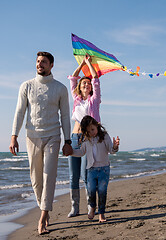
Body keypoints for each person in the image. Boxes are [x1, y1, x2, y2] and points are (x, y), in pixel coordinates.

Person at [9, 51, 73, 235]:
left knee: (49, 175)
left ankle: (43, 215)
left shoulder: (60, 88)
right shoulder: (26, 86)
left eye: (44, 62)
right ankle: (44, 206)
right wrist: (14, 135)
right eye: (38, 61)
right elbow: (19, 112)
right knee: (36, 179)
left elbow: (66, 116)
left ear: (51, 65)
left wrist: (67, 140)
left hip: (53, 135)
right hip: (32, 137)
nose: (40, 64)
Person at [67, 115, 120, 223]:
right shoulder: (86, 140)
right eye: (89, 131)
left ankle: (101, 214)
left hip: (104, 169)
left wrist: (115, 146)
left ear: (97, 125)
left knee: (102, 192)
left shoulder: (104, 136)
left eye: (93, 129)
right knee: (91, 191)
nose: (92, 132)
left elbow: (111, 150)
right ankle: (92, 207)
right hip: (91, 170)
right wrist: (71, 152)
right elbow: (81, 152)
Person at [67, 53, 101, 217]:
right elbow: (73, 78)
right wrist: (81, 64)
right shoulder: (76, 99)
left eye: (88, 83)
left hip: (89, 140)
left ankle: (90, 205)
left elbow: (96, 79)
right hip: (74, 138)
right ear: (79, 87)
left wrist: (89, 63)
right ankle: (75, 207)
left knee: (86, 174)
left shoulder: (94, 100)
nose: (86, 85)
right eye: (83, 83)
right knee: (73, 175)